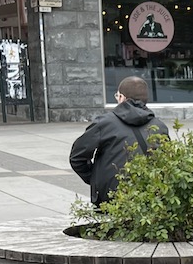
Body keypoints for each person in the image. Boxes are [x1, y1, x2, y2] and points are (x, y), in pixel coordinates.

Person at [69, 76, 169, 206]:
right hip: (149, 199)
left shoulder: (104, 123)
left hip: (110, 199)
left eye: (117, 95)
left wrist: (97, 180)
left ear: (122, 97)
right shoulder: (160, 127)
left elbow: (77, 157)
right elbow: (167, 162)